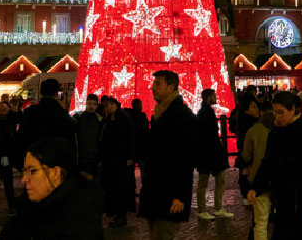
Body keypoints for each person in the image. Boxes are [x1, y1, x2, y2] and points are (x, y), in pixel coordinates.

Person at [248, 91, 302, 239]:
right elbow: (268, 163)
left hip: (301, 202)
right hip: (282, 201)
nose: (277, 117)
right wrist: (256, 187)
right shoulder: (276, 133)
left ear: (293, 110)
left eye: (281, 112)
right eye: (275, 112)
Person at [0, 137, 104, 240]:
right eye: (24, 171)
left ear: (56, 173)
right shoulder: (31, 207)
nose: (24, 179)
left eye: (33, 171)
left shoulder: (80, 216)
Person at [138, 70, 197, 240]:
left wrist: (179, 195)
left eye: (158, 84)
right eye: (153, 83)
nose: (152, 88)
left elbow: (185, 159)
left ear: (171, 87)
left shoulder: (182, 116)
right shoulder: (159, 113)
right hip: (155, 191)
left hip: (170, 194)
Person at [15, 79, 75, 167]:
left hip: (34, 159)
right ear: (56, 93)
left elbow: (22, 138)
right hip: (56, 161)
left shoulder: (31, 112)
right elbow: (68, 140)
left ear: (40, 92)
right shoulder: (62, 114)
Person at [195, 88, 233, 220]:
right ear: (209, 97)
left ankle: (212, 208)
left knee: (215, 180)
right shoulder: (205, 112)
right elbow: (209, 132)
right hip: (210, 152)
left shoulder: (204, 111)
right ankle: (205, 209)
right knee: (207, 181)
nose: (215, 97)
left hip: (209, 152)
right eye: (214, 95)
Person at [98, 96, 136, 227]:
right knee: (111, 187)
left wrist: (130, 157)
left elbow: (130, 139)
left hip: (121, 160)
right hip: (109, 161)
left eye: (110, 104)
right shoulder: (106, 121)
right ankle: (115, 213)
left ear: (116, 105)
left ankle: (121, 215)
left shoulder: (124, 120)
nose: (108, 107)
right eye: (106, 105)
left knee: (120, 187)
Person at [241, 103, 275, 240]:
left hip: (258, 177)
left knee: (260, 221)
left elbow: (246, 155)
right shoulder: (281, 129)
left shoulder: (254, 130)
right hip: (278, 179)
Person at [74, 93, 103, 180]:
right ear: (86, 104)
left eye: (94, 104)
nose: (92, 106)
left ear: (97, 105)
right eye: (90, 104)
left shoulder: (100, 120)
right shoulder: (79, 118)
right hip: (82, 156)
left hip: (94, 157)